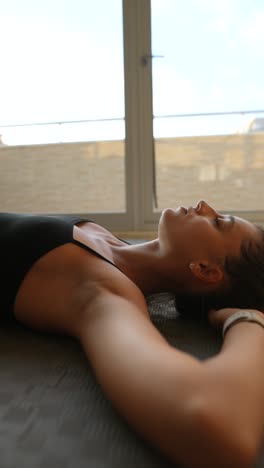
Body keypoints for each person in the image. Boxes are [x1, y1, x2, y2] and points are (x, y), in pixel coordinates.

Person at [1, 200, 264, 467]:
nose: (205, 205)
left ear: (205, 270)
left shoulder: (103, 290)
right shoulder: (115, 244)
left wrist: (247, 321)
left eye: (218, 222)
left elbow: (214, 424)